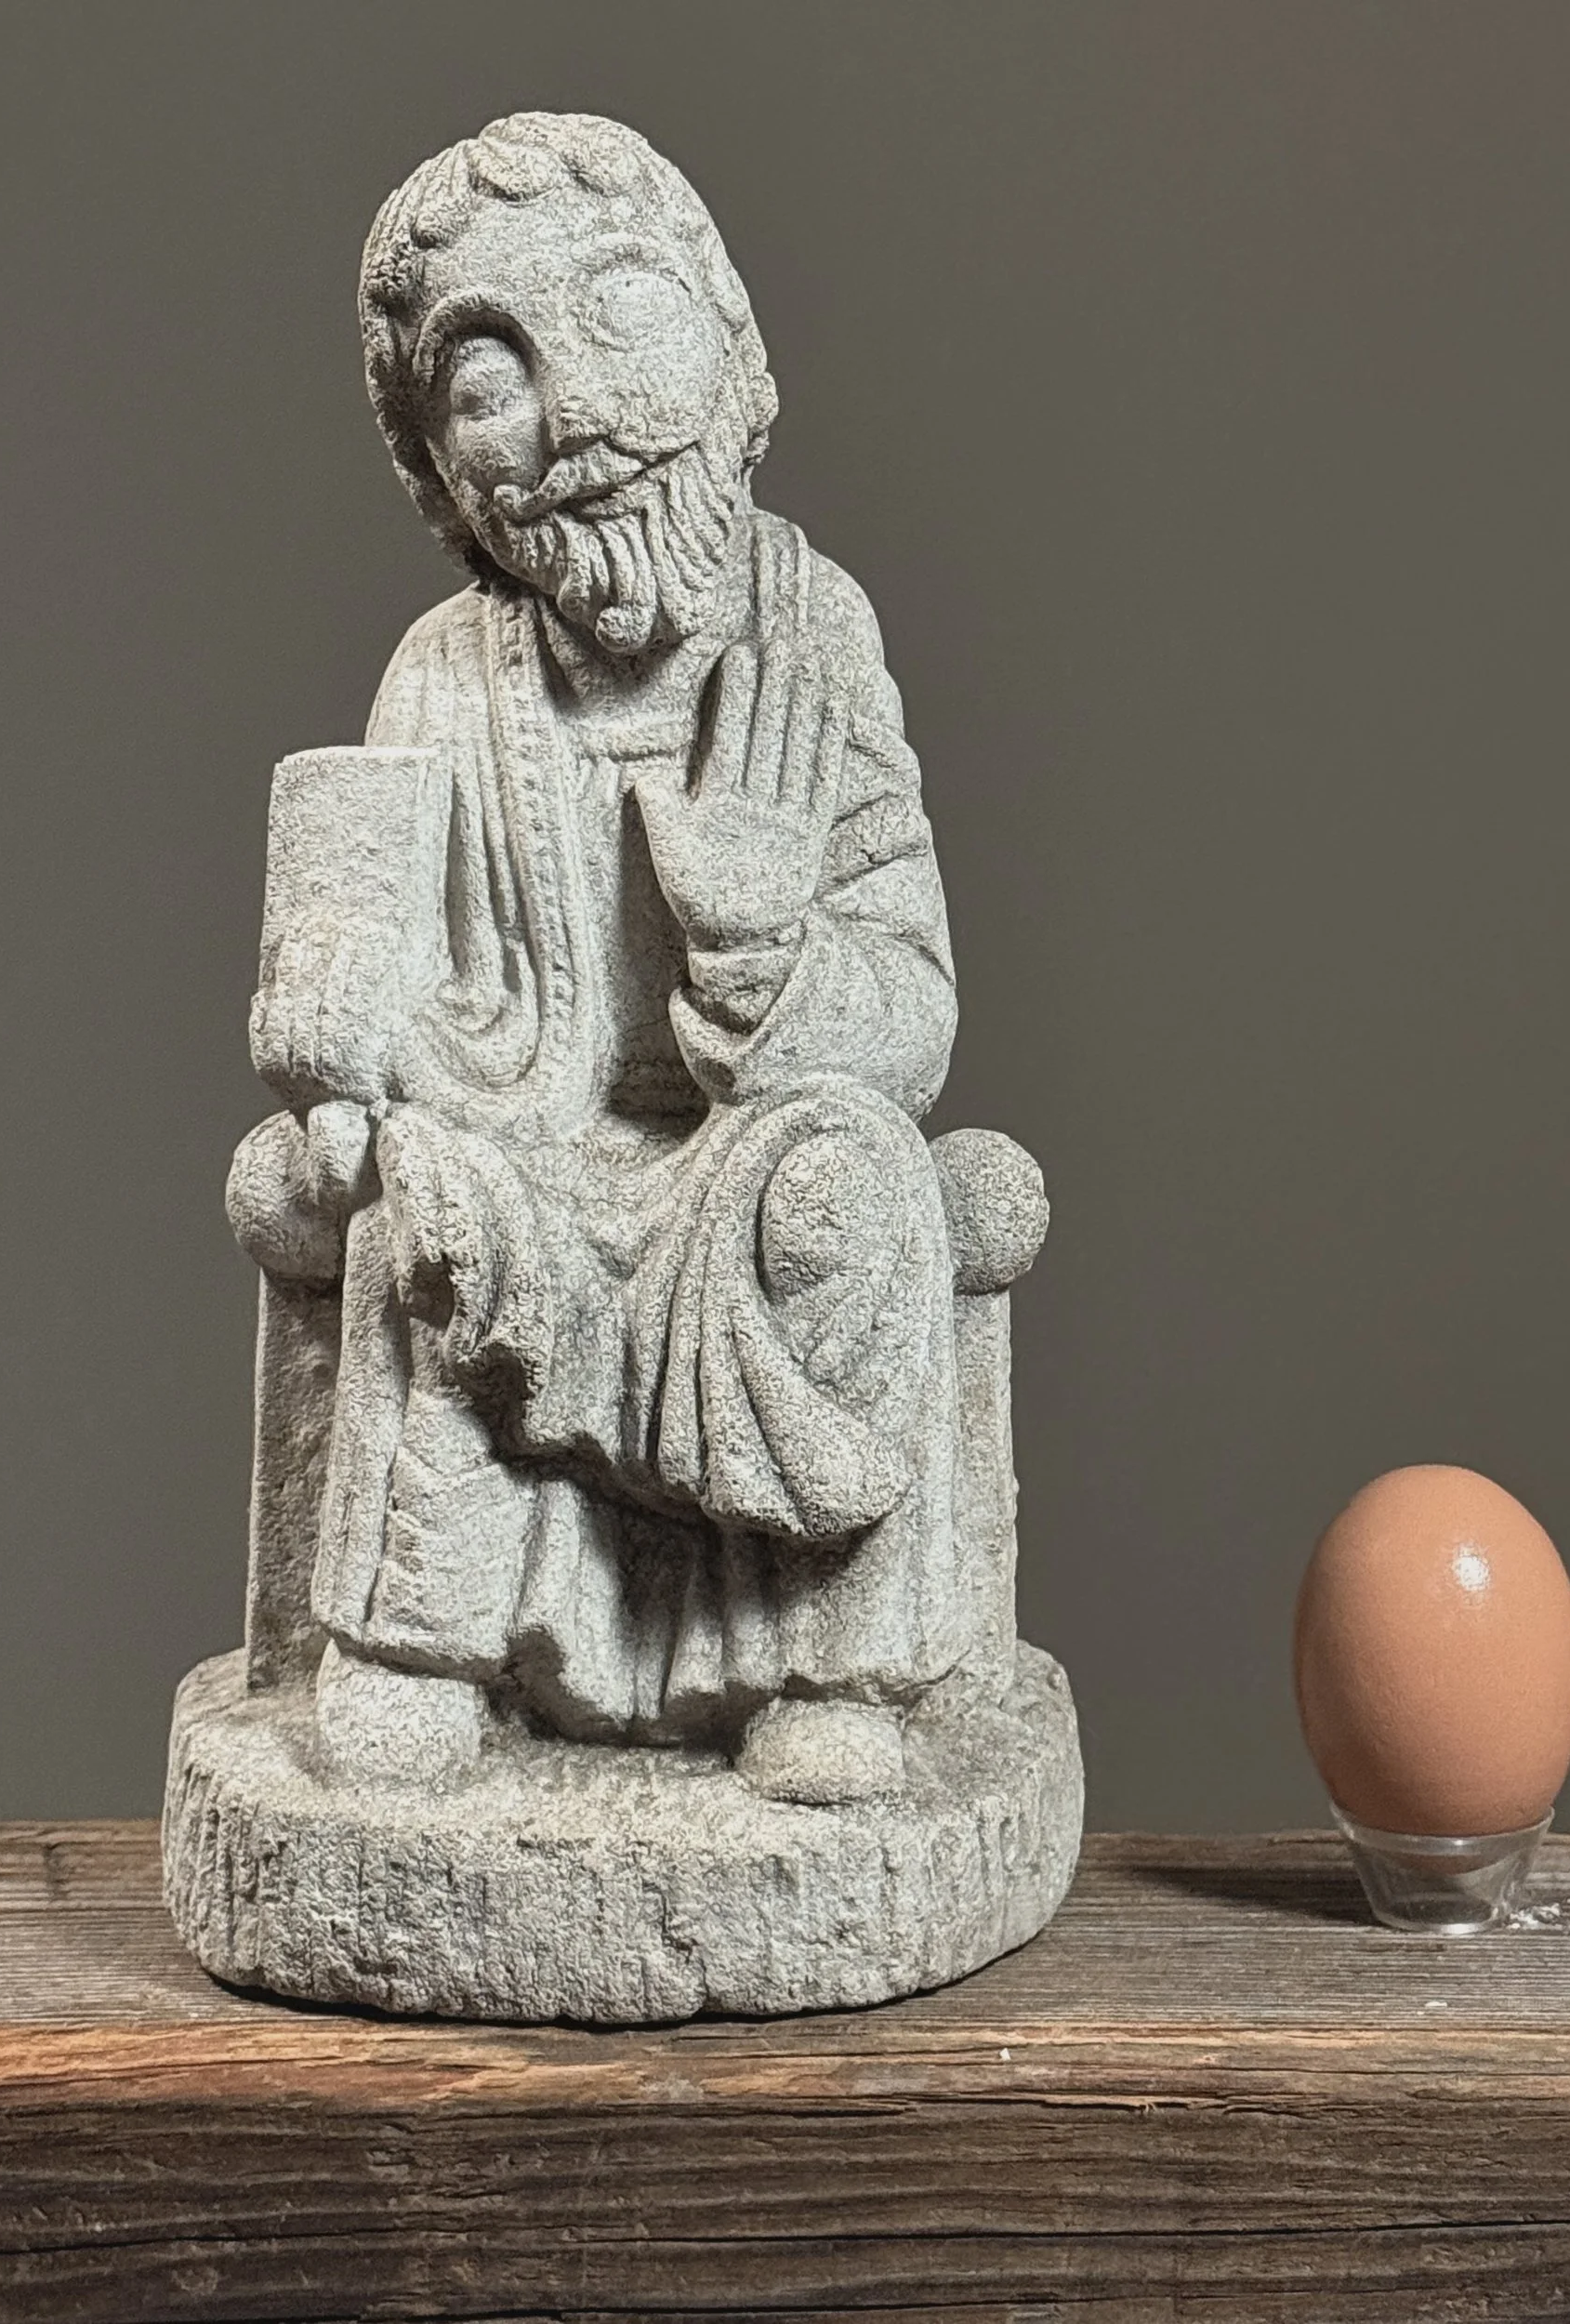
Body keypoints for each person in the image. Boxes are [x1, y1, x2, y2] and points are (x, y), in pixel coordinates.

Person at [227, 112, 976, 1803]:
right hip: (517, 1145)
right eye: (488, 379)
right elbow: (357, 952)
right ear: (440, 475)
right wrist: (339, 1033)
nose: (568, 415)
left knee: (851, 1183)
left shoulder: (814, 638)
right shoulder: (443, 675)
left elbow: (911, 1014)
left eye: (621, 316)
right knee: (427, 1205)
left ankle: (817, 1661)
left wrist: (770, 951)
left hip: (734, 1159)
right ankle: (422, 1642)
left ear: (734, 354)